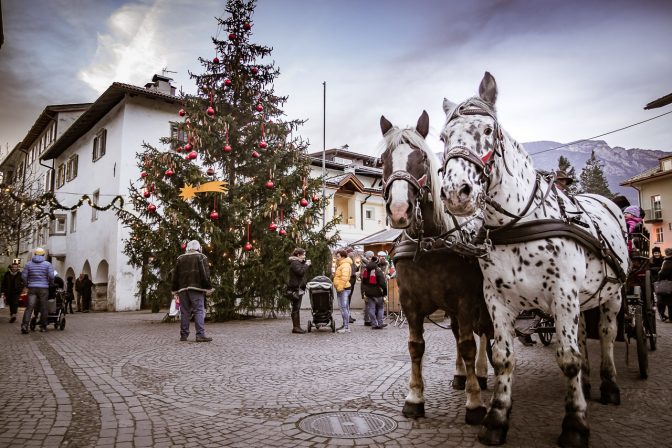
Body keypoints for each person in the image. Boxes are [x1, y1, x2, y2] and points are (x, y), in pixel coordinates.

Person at [171, 240, 213, 342]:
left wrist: (174, 290)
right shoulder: (201, 257)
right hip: (196, 288)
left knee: (184, 312)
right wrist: (208, 287)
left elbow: (175, 275)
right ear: (198, 247)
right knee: (198, 310)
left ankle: (183, 335)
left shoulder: (180, 258)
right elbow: (205, 275)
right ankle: (200, 335)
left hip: (182, 289)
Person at [20, 248, 55, 333]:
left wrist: (27, 284)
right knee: (43, 307)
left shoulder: (28, 264)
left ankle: (25, 326)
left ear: (35, 254)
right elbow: (51, 276)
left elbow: (23, 276)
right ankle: (43, 327)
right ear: (43, 255)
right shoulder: (47, 264)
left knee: (29, 307)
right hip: (44, 288)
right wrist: (50, 283)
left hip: (32, 287)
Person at [286, 248, 311, 334]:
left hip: (298, 287)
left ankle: (297, 326)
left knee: (296, 307)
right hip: (296, 288)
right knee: (296, 308)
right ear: (298, 255)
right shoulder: (295, 263)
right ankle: (296, 327)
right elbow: (300, 272)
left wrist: (304, 262)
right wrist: (306, 265)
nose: (304, 256)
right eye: (303, 254)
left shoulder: (297, 262)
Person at [361, 253, 388, 329]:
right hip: (378, 292)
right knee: (380, 307)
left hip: (368, 292)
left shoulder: (366, 270)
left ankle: (373, 324)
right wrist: (385, 293)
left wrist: (363, 292)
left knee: (371, 308)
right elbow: (383, 284)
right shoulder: (378, 271)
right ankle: (380, 323)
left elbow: (363, 282)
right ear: (377, 262)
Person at [333, 249, 353, 333]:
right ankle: (345, 325)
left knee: (344, 308)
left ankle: (346, 327)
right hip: (341, 289)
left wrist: (340, 288)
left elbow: (344, 278)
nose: (336, 258)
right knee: (343, 308)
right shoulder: (341, 264)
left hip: (343, 289)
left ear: (343, 256)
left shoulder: (345, 265)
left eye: (338, 256)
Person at [656, 248, 672, 322]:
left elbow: (663, 273)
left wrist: (659, 273)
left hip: (668, 284)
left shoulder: (668, 261)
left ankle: (668, 317)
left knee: (665, 301)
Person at [360, 250, 375, 326]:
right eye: (370, 257)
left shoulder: (365, 264)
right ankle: (367, 320)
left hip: (367, 286)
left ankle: (368, 319)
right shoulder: (364, 265)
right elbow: (363, 276)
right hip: (366, 286)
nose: (371, 258)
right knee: (368, 304)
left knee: (368, 303)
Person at [345, 247, 357, 324]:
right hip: (349, 282)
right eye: (351, 252)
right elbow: (350, 272)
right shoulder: (347, 262)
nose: (353, 253)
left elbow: (354, 269)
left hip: (352, 282)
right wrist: (355, 273)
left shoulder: (352, 261)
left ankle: (349, 316)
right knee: (346, 300)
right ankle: (347, 317)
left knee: (348, 300)